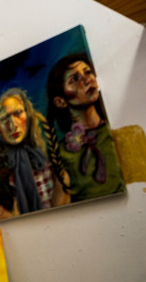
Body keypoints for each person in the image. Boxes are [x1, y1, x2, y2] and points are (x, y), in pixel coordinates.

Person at [46, 54, 125, 202]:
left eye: (88, 72)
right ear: (60, 101)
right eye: (74, 79)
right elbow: (62, 204)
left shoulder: (118, 132)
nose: (86, 79)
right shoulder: (61, 152)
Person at [0, 87, 70, 219]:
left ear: (28, 117)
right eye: (4, 118)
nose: (13, 125)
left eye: (18, 113)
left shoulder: (50, 168)